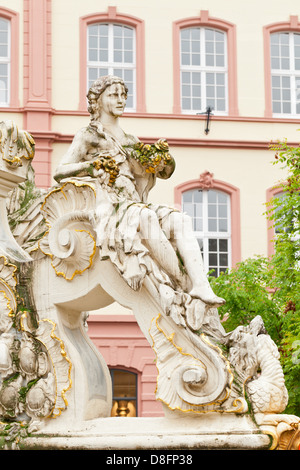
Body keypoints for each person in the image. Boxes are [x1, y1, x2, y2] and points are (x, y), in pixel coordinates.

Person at [54, 75, 224, 306]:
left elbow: (163, 172)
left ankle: (201, 286)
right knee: (146, 217)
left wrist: (161, 160)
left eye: (123, 95)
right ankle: (182, 282)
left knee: (179, 219)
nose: (121, 100)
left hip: (134, 203)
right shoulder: (89, 135)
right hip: (111, 205)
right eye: (113, 95)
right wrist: (92, 167)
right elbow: (60, 170)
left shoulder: (130, 139)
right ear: (98, 101)